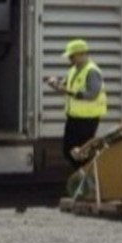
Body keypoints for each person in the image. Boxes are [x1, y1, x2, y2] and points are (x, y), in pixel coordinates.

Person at [44, 39, 107, 168]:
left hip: (88, 119)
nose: (69, 59)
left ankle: (87, 174)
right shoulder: (74, 69)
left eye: (72, 56)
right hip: (74, 117)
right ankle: (82, 173)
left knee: (82, 152)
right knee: (69, 150)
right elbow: (66, 84)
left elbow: (92, 94)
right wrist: (56, 83)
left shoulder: (92, 71)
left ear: (82, 54)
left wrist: (69, 92)